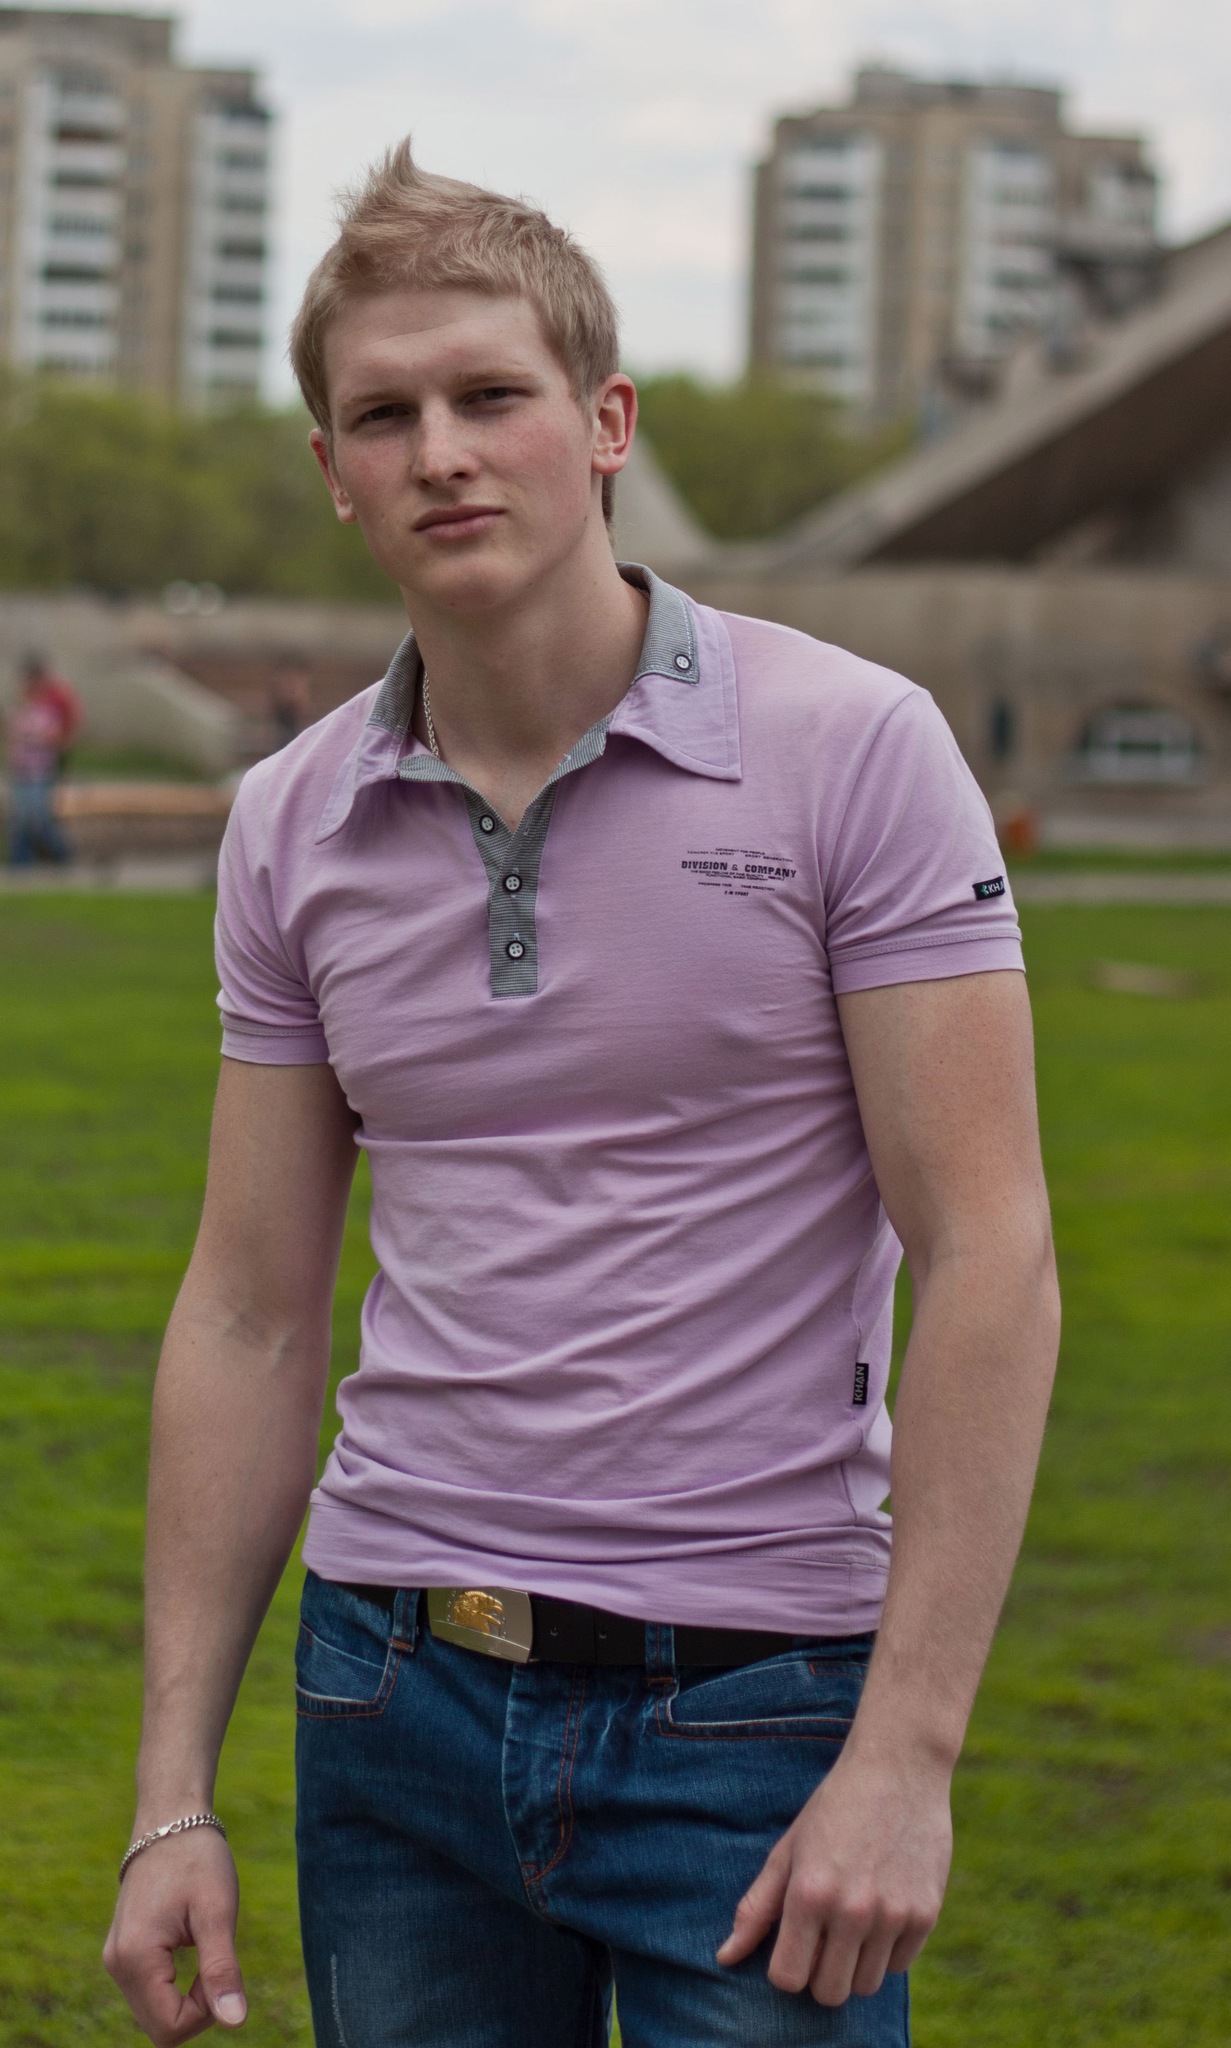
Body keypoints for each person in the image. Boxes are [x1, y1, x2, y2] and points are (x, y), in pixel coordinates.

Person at [104, 143, 1060, 2048]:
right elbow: (247, 1307)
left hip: (756, 1702)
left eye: (491, 395)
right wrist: (170, 1796)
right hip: (391, 1689)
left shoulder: (849, 746)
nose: (443, 452)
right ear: (334, 470)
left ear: (604, 423)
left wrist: (905, 1751)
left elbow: (989, 1250)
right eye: (386, 416)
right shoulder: (290, 817)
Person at [5, 658, 77, 866]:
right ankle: (19, 862)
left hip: (41, 771)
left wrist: (42, 738)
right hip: (21, 771)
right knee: (21, 818)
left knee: (38, 817)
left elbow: (58, 739)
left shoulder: (48, 713)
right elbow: (12, 740)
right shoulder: (19, 712)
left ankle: (62, 854)